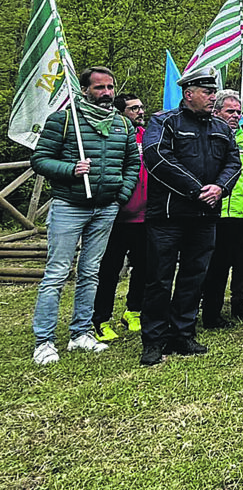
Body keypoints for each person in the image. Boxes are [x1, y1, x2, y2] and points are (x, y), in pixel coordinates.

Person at [30, 67, 141, 365]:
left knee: (91, 272)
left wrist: (120, 195)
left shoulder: (122, 125)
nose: (106, 93)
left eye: (110, 87)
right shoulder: (64, 120)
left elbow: (132, 163)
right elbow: (39, 159)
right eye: (99, 88)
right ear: (84, 90)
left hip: (106, 207)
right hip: (69, 205)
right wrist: (70, 170)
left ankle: (80, 333)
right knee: (56, 273)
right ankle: (44, 340)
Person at [139, 67, 241, 366]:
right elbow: (156, 157)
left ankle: (182, 333)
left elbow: (233, 162)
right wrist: (196, 189)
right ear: (189, 94)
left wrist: (220, 187)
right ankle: (154, 340)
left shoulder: (221, 128)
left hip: (205, 215)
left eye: (213, 92)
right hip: (168, 216)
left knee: (194, 276)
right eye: (208, 92)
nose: (213, 97)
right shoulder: (164, 121)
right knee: (159, 278)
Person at [91, 93, 148, 343]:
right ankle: (100, 319)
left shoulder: (147, 136)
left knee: (144, 268)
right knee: (109, 271)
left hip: (145, 216)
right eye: (134, 108)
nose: (140, 111)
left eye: (141, 107)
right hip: (115, 216)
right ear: (120, 112)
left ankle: (133, 311)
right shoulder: (112, 137)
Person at [201, 90, 243, 328]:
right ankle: (203, 308)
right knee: (209, 264)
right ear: (216, 112)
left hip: (239, 211)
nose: (235, 116)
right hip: (212, 208)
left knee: (232, 261)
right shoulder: (206, 136)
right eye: (229, 111)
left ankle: (225, 308)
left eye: (238, 112)